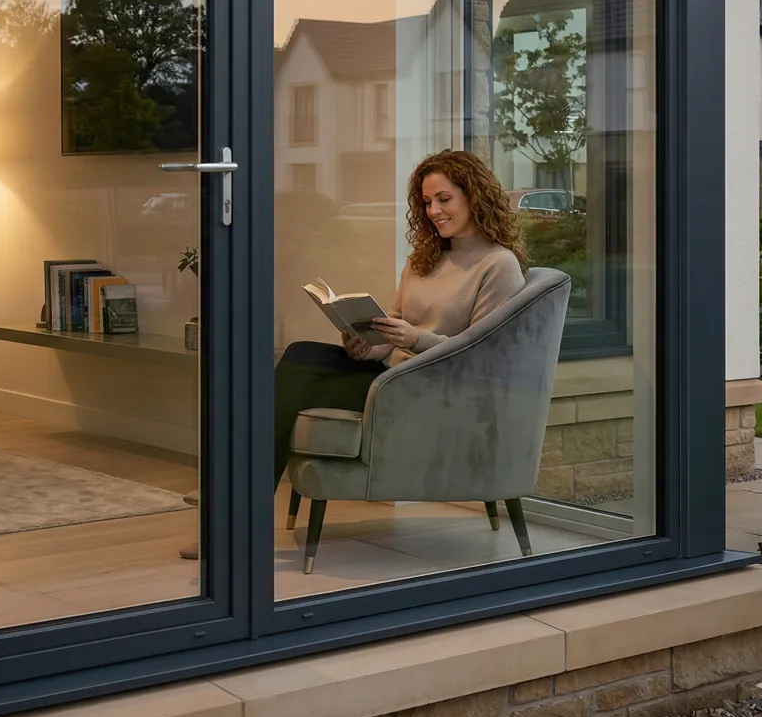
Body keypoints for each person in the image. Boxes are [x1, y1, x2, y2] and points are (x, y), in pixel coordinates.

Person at [179, 149, 527, 560]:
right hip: (392, 376)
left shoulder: (498, 266)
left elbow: (481, 357)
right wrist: (365, 344)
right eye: (426, 202)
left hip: (435, 390)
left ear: (474, 195)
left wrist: (414, 338)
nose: (433, 210)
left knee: (297, 381)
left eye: (444, 199)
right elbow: (392, 329)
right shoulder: (424, 260)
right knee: (301, 353)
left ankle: (228, 511)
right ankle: (233, 504)